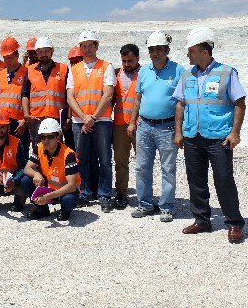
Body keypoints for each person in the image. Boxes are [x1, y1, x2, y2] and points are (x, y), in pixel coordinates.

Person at [173, 27, 245, 243]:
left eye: (191, 50)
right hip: (193, 137)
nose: (188, 54)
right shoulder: (188, 75)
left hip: (219, 138)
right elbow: (180, 104)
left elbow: (239, 103)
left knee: (223, 180)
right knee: (196, 180)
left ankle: (234, 223)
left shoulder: (226, 72)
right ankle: (202, 220)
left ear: (205, 51)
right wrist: (178, 132)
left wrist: (235, 132)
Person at [128, 31, 184, 222]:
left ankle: (167, 206)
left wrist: (179, 130)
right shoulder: (143, 71)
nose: (155, 53)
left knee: (168, 168)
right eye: (152, 49)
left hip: (167, 127)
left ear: (167, 50)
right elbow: (138, 99)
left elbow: (181, 103)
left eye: (159, 49)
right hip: (144, 125)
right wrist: (131, 122)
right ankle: (145, 204)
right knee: (142, 167)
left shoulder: (178, 71)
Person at [66, 30, 116, 212]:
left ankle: (104, 194)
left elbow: (108, 94)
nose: (87, 50)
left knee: (104, 159)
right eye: (84, 46)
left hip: (101, 120)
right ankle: (85, 192)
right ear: (80, 48)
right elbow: (70, 97)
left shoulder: (106, 66)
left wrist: (92, 117)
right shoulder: (74, 69)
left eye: (90, 46)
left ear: (97, 46)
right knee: (82, 159)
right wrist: (84, 117)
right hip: (80, 122)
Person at [21, 118, 81, 221]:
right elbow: (27, 169)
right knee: (25, 180)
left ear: (58, 137)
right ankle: (42, 209)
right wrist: (36, 174)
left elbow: (71, 186)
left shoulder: (68, 154)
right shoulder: (39, 147)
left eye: (50, 137)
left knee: (69, 200)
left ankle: (65, 211)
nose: (45, 140)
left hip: (65, 191)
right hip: (49, 187)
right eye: (43, 137)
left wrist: (48, 197)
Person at [22, 36, 68, 147]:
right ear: (36, 53)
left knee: (57, 149)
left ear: (52, 51)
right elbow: (25, 94)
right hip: (36, 119)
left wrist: (68, 117)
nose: (43, 54)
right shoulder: (30, 70)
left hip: (56, 118)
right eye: (40, 52)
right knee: (37, 151)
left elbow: (69, 95)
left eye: (46, 51)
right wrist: (26, 114)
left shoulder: (63, 69)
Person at [111, 43, 141, 210]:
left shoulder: (145, 73)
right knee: (120, 162)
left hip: (140, 125)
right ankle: (121, 194)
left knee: (143, 162)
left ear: (138, 58)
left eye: (130, 60)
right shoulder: (116, 74)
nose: (127, 64)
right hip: (119, 125)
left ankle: (145, 195)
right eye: (124, 61)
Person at [0, 37, 29, 155]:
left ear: (17, 55)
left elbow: (31, 99)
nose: (7, 61)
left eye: (10, 57)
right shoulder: (0, 74)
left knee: (20, 153)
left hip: (19, 123)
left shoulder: (27, 73)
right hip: (2, 122)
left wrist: (25, 120)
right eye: (5, 58)